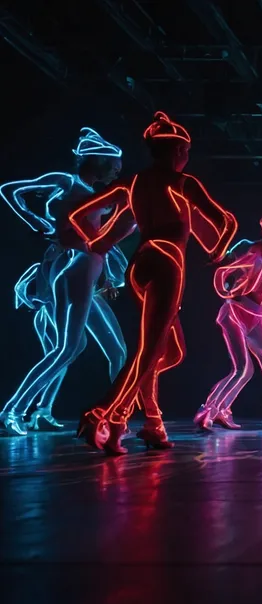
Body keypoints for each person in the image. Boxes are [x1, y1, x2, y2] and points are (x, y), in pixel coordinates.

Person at [70, 112, 238, 455]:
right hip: (167, 262)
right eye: (186, 151)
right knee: (148, 352)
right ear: (178, 151)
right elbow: (227, 221)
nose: (187, 156)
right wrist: (218, 251)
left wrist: (93, 243)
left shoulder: (133, 183)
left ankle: (152, 422)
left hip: (140, 264)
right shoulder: (183, 182)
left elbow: (78, 215)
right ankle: (105, 414)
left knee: (169, 351)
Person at [0, 128, 127, 435]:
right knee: (66, 348)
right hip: (74, 265)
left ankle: (112, 414)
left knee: (113, 350)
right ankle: (12, 410)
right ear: (97, 160)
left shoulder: (96, 195)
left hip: (89, 270)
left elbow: (100, 236)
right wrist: (35, 220)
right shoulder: (68, 182)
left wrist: (110, 273)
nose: (115, 173)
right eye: (113, 167)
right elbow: (10, 189)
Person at [195, 206, 262, 431]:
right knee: (243, 369)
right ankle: (208, 411)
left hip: (258, 318)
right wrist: (228, 288)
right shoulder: (249, 247)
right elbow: (225, 265)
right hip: (236, 310)